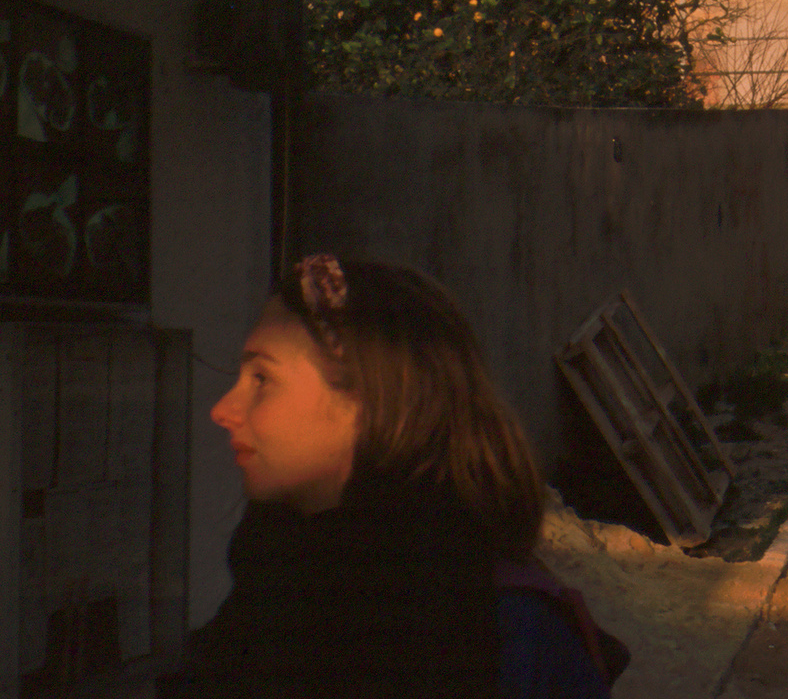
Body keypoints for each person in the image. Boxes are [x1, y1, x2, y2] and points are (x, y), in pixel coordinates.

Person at [175, 255, 621, 699]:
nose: (223, 411)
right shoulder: (277, 574)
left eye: (262, 378)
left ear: (367, 401)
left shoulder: (494, 626)